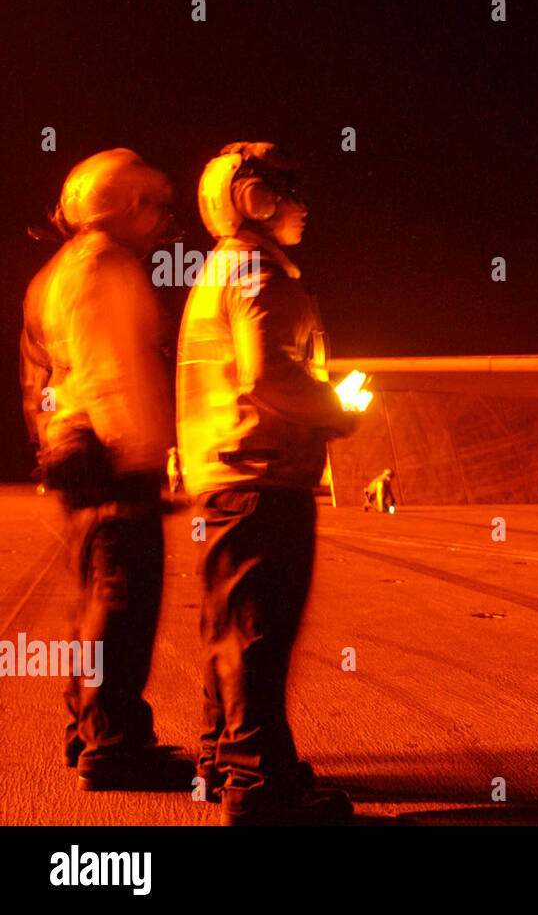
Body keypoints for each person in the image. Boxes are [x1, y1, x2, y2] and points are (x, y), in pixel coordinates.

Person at [177, 142, 359, 825]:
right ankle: (263, 789)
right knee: (258, 635)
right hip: (261, 476)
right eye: (288, 189)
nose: (303, 205)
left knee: (229, 629)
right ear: (254, 197)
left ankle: (226, 758)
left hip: (222, 476)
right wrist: (336, 412)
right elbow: (268, 378)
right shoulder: (259, 272)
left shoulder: (222, 270)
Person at [19, 149, 194, 791]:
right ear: (123, 205)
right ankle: (115, 745)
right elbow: (114, 373)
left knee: (94, 599)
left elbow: (40, 375)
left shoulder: (59, 271)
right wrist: (144, 461)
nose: (161, 219)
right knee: (122, 601)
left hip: (76, 451)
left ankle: (87, 730)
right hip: (111, 455)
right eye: (153, 204)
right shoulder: (106, 267)